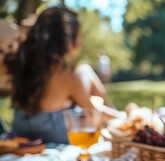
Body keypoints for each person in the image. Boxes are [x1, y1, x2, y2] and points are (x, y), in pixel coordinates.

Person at [5, 7, 117, 143]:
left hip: (20, 128)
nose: (80, 41)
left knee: (85, 71)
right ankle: (114, 110)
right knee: (85, 72)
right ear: (67, 38)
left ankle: (113, 110)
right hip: (53, 134)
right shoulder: (67, 74)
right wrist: (120, 117)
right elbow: (93, 113)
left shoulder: (20, 60)